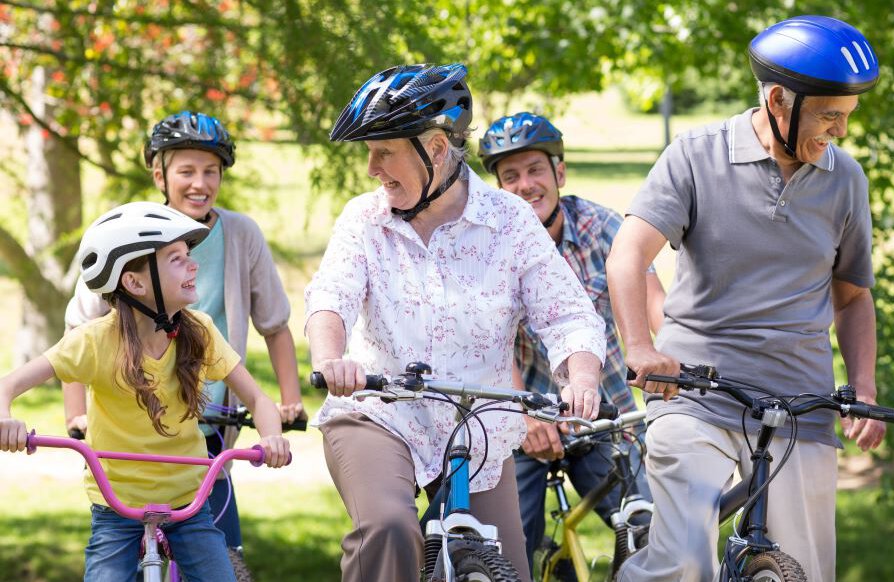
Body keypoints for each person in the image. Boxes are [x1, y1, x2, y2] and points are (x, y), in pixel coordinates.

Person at [606, 15, 889, 582]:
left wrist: (863, 384)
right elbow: (627, 256)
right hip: (695, 394)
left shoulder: (845, 180)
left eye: (847, 116)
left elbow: (853, 296)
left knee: (802, 572)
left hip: (797, 403)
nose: (841, 131)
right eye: (830, 115)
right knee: (684, 559)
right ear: (779, 99)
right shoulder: (695, 156)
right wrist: (640, 347)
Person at [306, 63, 606, 582]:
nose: (372, 168)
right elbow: (331, 296)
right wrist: (330, 360)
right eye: (370, 153)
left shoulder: (510, 222)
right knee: (388, 528)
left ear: (438, 150)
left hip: (478, 426)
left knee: (506, 569)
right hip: (378, 411)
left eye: (384, 152)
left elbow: (568, 314)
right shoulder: (364, 219)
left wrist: (580, 378)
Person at [0, 201, 291, 581]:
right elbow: (8, 385)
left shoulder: (198, 331)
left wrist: (272, 438)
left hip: (189, 501)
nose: (193, 265)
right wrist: (6, 418)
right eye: (175, 258)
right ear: (134, 282)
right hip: (116, 506)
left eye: (189, 255)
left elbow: (258, 399)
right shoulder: (94, 341)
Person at [61, 111, 306, 557]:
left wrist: (290, 401)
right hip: (135, 409)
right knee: (122, 540)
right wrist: (76, 414)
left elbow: (274, 323)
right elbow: (79, 328)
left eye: (211, 171)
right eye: (186, 171)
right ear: (160, 174)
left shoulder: (241, 234)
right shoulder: (130, 230)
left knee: (217, 536)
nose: (200, 183)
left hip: (210, 408)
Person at [476, 112, 663, 568]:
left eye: (535, 170)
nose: (525, 185)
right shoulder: (483, 246)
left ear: (559, 172)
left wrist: (676, 356)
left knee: (655, 536)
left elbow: (656, 302)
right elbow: (487, 341)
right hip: (520, 422)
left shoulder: (603, 229)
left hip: (603, 414)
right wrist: (523, 414)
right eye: (510, 176)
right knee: (502, 552)